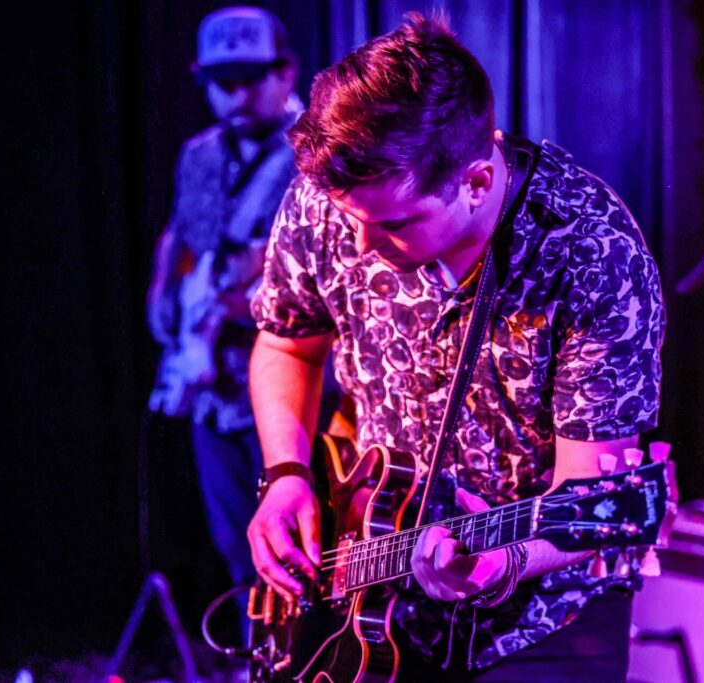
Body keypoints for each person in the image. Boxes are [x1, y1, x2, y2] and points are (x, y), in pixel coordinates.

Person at [247, 11, 665, 682]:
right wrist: (286, 477)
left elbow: (592, 492)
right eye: (351, 221)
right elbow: (287, 346)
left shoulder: (593, 251)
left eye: (391, 224)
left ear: (473, 182)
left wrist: (498, 565)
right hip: (361, 590)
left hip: (541, 615)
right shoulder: (334, 198)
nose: (358, 247)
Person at [145, 6, 300, 643]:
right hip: (213, 387)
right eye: (221, 79)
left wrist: (257, 303)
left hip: (294, 384)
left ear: (285, 71)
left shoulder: (315, 149)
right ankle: (255, 660)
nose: (235, 94)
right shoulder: (199, 155)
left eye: (251, 77)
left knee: (299, 542)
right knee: (236, 542)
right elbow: (184, 235)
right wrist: (164, 290)